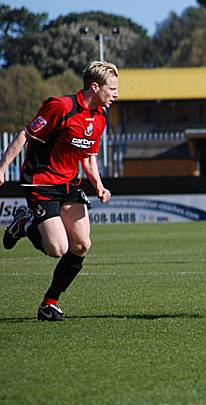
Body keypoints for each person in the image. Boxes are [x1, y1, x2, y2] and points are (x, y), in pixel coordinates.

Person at [0, 61, 118, 321]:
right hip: (41, 182)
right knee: (57, 249)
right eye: (112, 88)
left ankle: (49, 303)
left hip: (69, 184)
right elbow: (25, 135)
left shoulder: (100, 116)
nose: (116, 94)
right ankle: (26, 223)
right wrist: (2, 167)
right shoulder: (61, 106)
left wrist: (98, 184)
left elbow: (88, 155)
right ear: (95, 87)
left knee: (81, 244)